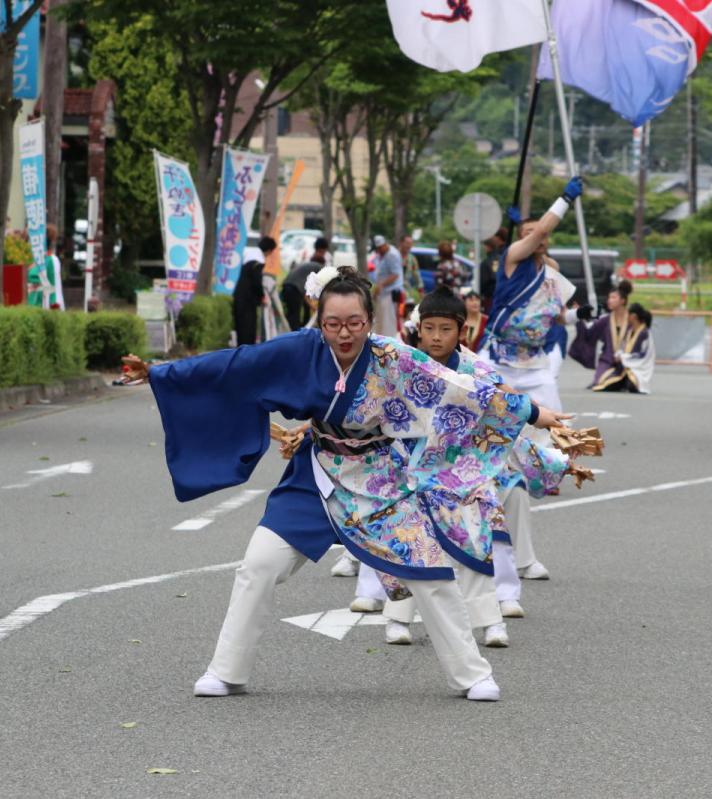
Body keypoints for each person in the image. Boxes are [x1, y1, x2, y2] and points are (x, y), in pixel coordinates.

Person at [122, 267, 569, 701]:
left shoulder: (394, 358)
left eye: (354, 323)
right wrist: (161, 373)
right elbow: (234, 366)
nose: (344, 333)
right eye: (333, 323)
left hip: (382, 480)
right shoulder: (300, 351)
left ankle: (472, 675)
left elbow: (460, 387)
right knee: (258, 565)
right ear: (320, 322)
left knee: (431, 575)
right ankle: (226, 670)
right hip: (316, 476)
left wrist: (533, 413)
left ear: (370, 322)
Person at [351, 288, 567, 648]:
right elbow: (368, 406)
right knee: (411, 544)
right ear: (419, 328)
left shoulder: (475, 369)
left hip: (462, 472)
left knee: (474, 543)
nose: (436, 336)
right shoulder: (406, 364)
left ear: (462, 331)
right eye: (430, 328)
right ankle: (398, 617)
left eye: (445, 329)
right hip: (412, 471)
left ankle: (490, 621)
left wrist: (543, 417)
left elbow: (508, 402)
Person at [480, 177, 583, 416]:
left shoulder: (551, 270)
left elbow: (556, 317)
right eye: (529, 234)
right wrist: (565, 198)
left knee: (556, 424)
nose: (539, 237)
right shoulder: (513, 258)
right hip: (498, 357)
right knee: (484, 422)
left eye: (540, 234)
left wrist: (581, 314)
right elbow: (543, 228)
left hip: (534, 362)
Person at [569, 279, 635, 389]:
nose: (609, 300)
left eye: (613, 298)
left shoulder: (632, 319)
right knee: (600, 381)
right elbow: (589, 333)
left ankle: (622, 380)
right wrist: (578, 316)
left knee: (633, 382)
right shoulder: (605, 319)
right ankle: (616, 381)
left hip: (627, 359)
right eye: (609, 297)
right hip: (608, 358)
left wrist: (626, 356)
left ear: (623, 301)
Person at [590, 302, 654, 394]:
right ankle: (623, 381)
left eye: (628, 314)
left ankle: (627, 382)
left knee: (632, 385)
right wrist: (619, 355)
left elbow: (643, 355)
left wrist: (624, 357)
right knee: (606, 382)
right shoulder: (630, 331)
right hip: (626, 366)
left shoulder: (645, 333)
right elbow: (623, 348)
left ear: (634, 316)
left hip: (639, 369)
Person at [231, 237, 274, 346]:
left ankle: (240, 350)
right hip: (248, 299)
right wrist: (262, 296)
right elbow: (256, 282)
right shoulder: (257, 261)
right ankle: (247, 352)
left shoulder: (249, 254)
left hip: (239, 294)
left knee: (240, 326)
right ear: (269, 250)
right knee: (248, 327)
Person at [281, 237, 328, 332]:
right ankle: (296, 335)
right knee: (294, 315)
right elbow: (316, 289)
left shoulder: (308, 265)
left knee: (293, 313)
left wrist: (312, 306)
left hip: (287, 285)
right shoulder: (319, 268)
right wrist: (316, 306)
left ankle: (298, 331)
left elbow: (308, 293)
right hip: (294, 288)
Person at [371, 235, 403, 337]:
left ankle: (388, 342)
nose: (378, 250)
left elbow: (395, 275)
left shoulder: (392, 255)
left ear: (384, 245)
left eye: (380, 248)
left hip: (390, 292)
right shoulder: (381, 255)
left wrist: (381, 285)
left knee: (388, 321)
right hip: (383, 292)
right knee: (380, 320)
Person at [27, 225, 65, 310]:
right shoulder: (31, 260)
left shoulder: (52, 259)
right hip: (29, 305)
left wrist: (54, 303)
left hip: (43, 305)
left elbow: (54, 284)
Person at [479, 228, 507, 307]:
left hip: (489, 299)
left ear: (487, 247)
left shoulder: (485, 263)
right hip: (504, 296)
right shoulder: (504, 259)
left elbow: (482, 283)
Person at [399, 235, 423, 301]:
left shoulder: (412, 259)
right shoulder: (394, 256)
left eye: (411, 244)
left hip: (406, 290)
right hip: (392, 289)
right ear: (401, 243)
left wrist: (420, 290)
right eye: (407, 243)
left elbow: (417, 275)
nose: (409, 246)